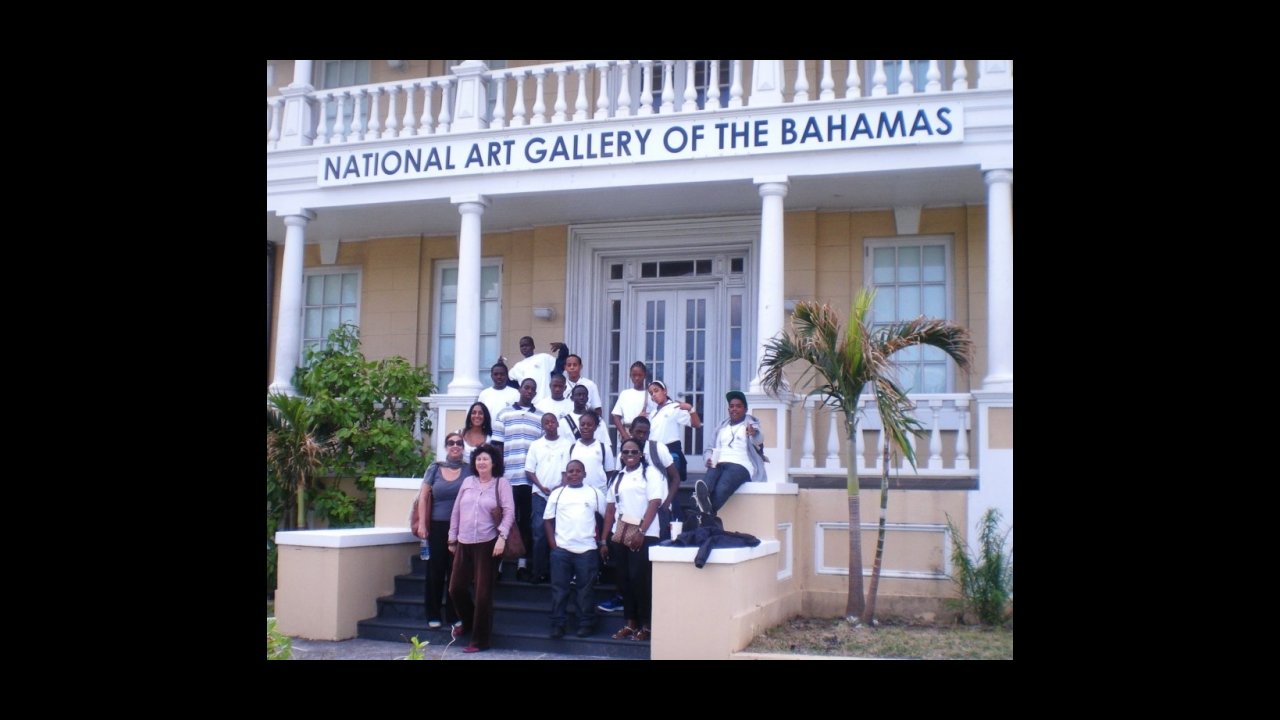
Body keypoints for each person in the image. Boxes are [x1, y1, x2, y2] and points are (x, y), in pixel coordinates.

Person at [597, 415, 678, 615]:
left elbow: (673, 479)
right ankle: (628, 615)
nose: (641, 436)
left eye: (645, 432)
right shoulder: (622, 464)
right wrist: (604, 539)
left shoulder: (657, 452)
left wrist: (666, 504)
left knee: (642, 574)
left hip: (651, 520)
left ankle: (647, 620)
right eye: (638, 432)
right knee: (625, 575)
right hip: (624, 526)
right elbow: (614, 500)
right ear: (630, 431)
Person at [448, 444, 514, 653]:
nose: (481, 462)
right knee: (456, 588)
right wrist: (452, 537)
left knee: (483, 594)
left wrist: (502, 537)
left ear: (494, 463)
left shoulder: (501, 483)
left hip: (488, 544)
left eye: (485, 459)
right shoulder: (468, 482)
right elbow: (456, 510)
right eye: (478, 459)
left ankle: (480, 641)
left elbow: (509, 512)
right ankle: (468, 622)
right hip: (464, 542)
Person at [601, 438, 666, 642]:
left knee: (640, 579)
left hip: (645, 534)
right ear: (621, 455)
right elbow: (610, 509)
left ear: (641, 454)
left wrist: (641, 531)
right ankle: (630, 623)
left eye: (634, 452)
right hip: (620, 533)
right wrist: (603, 540)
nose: (630, 455)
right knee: (624, 579)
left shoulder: (650, 473)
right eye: (626, 452)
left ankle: (647, 625)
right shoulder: (618, 477)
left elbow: (654, 503)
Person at [414, 432, 473, 630]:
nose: (455, 446)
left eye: (459, 443)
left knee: (456, 571)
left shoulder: (469, 469)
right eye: (451, 443)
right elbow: (423, 497)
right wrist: (422, 524)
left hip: (461, 527)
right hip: (437, 526)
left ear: (463, 447)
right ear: (446, 446)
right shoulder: (435, 468)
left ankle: (454, 614)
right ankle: (433, 613)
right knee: (435, 570)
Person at [543, 459, 607, 639]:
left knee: (585, 590)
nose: (574, 474)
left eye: (578, 471)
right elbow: (547, 520)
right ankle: (558, 624)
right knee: (559, 590)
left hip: (587, 550)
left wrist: (602, 541)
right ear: (566, 474)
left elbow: (607, 517)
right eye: (570, 471)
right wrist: (553, 546)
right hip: (561, 550)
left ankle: (585, 623)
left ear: (584, 474)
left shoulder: (594, 493)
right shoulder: (557, 494)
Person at [493, 378, 545, 581]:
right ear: (520, 389)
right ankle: (498, 564)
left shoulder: (540, 417)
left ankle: (522, 564)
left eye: (533, 389)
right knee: (505, 519)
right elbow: (497, 446)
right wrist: (499, 474)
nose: (529, 391)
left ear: (535, 393)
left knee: (525, 522)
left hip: (530, 481)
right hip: (508, 478)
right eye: (526, 387)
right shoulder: (504, 414)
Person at [694, 391, 767, 517]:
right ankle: (706, 512)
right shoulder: (722, 427)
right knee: (706, 485)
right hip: (719, 463)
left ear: (745, 409)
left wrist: (753, 434)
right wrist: (708, 459)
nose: (734, 409)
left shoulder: (751, 425)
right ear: (728, 409)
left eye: (738, 406)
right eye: (731, 406)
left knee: (722, 488)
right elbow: (709, 448)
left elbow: (758, 440)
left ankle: (702, 516)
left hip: (741, 466)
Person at [525, 412, 572, 585]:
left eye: (553, 422)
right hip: (539, 494)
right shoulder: (536, 445)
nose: (550, 425)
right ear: (542, 426)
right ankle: (538, 572)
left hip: (560, 495)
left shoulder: (567, 444)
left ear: (558, 424)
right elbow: (529, 470)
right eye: (546, 422)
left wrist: (560, 487)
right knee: (539, 533)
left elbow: (567, 470)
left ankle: (557, 574)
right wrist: (540, 486)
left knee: (559, 533)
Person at [646, 379, 700, 490]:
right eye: (651, 393)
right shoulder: (653, 413)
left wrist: (690, 409)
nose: (654, 395)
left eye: (656, 390)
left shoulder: (674, 407)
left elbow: (696, 424)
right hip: (654, 453)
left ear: (664, 391)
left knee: (669, 485)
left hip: (670, 452)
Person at [506, 337, 568, 407]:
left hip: (546, 404)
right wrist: (501, 365)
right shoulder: (517, 366)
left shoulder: (544, 358)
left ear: (533, 346)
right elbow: (508, 382)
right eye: (522, 346)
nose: (524, 348)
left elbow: (560, 365)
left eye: (527, 345)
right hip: (528, 406)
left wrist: (563, 348)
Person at [565, 410, 615, 495]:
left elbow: (609, 472)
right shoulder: (572, 448)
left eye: (589, 425)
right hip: (577, 492)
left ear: (595, 427)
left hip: (599, 491)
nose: (585, 427)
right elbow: (567, 472)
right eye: (582, 424)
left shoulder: (604, 448)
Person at [611, 361, 656, 447]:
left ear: (645, 375)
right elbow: (616, 416)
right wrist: (625, 435)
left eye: (640, 375)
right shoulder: (625, 394)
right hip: (627, 433)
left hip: (644, 436)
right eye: (634, 375)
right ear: (630, 376)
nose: (637, 378)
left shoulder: (650, 395)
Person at [536, 373, 575, 440]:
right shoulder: (540, 405)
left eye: (560, 386)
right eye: (555, 386)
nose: (557, 389)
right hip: (546, 443)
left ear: (565, 388)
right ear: (550, 386)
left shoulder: (572, 406)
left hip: (567, 442)